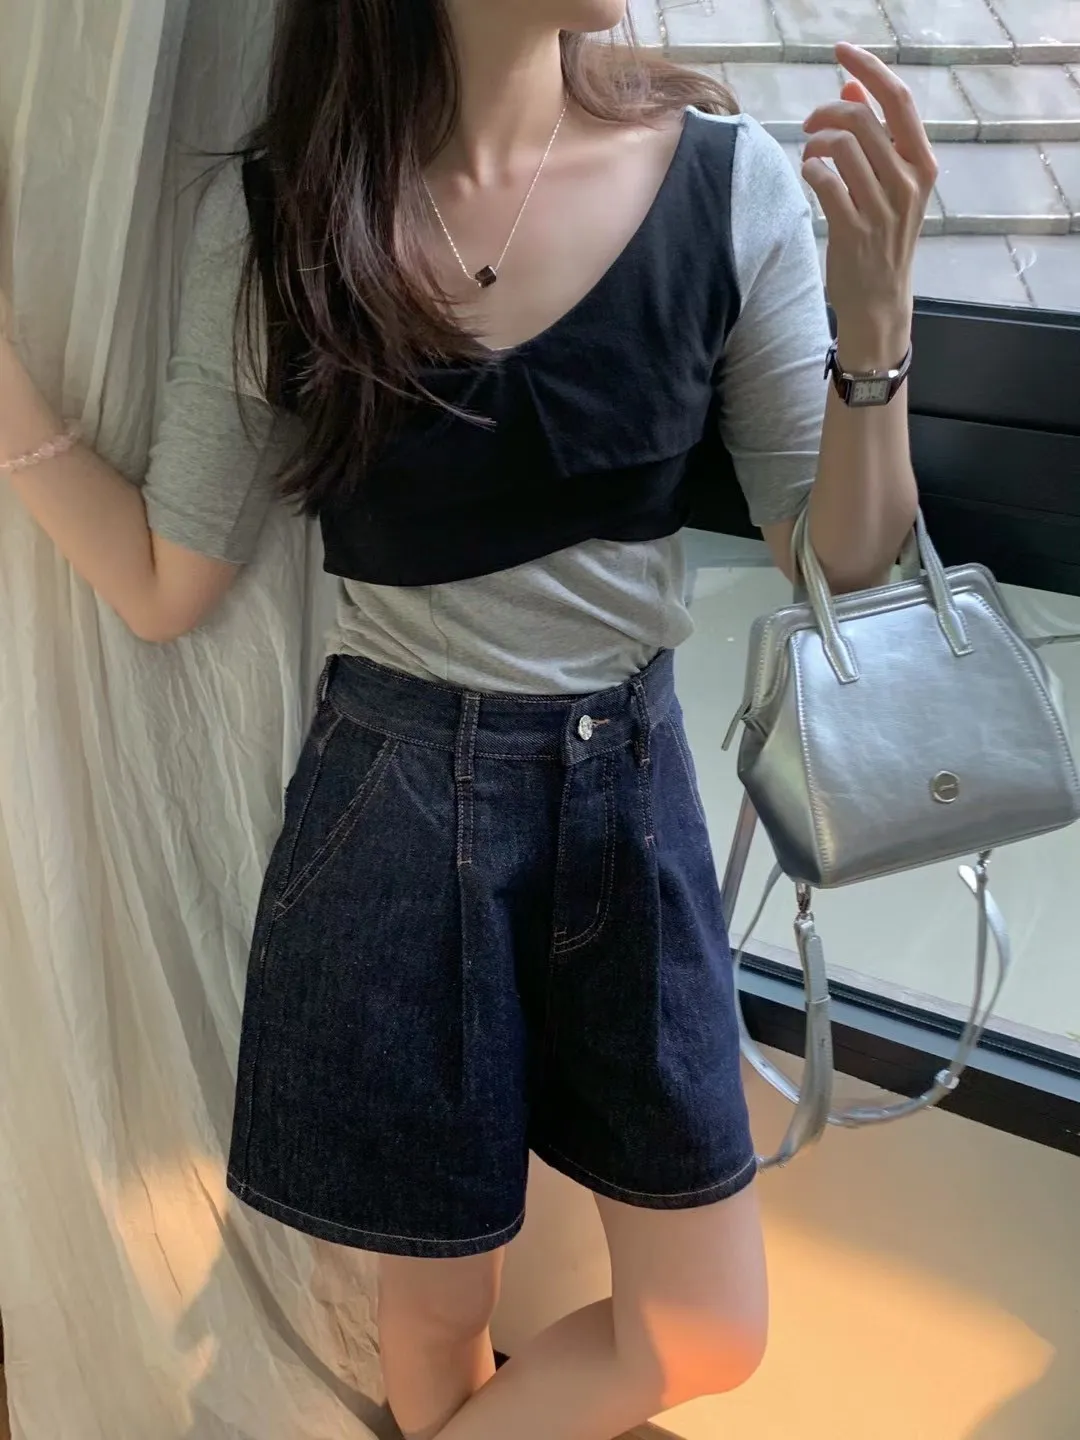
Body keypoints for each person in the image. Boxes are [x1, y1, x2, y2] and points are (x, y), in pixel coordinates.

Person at [0, 2, 935, 1436]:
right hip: (395, 807)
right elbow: (164, 582)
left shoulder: (727, 180)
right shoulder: (286, 217)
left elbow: (837, 571)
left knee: (703, 1328)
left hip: (632, 800)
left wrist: (877, 334)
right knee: (438, 1324)